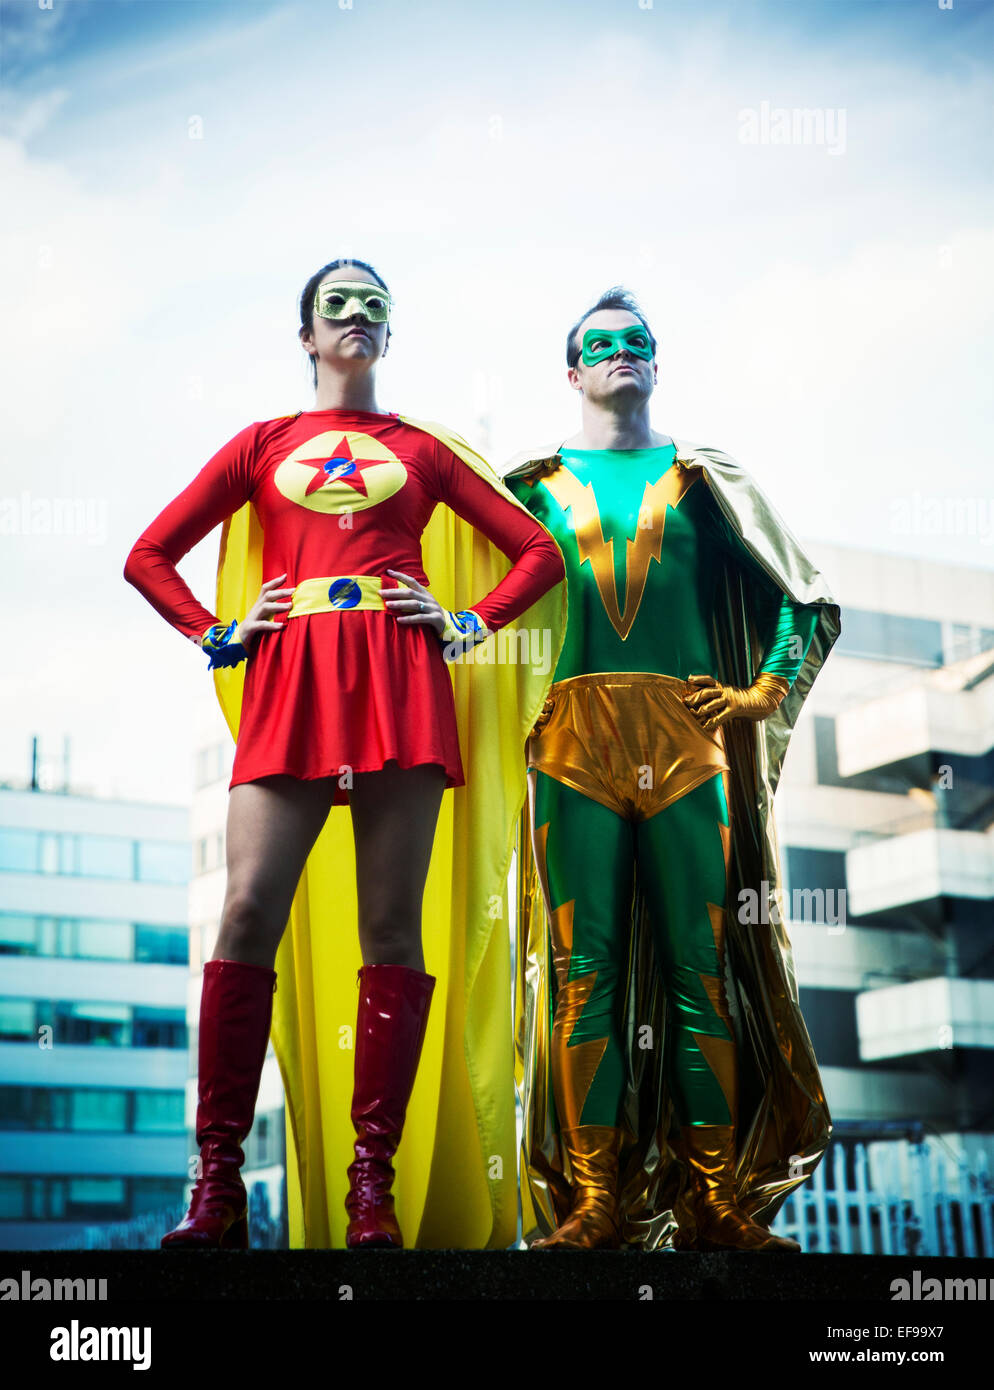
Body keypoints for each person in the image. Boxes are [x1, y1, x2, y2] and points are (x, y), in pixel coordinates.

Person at [123, 258, 566, 1249]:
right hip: (291, 681)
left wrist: (467, 618)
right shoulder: (262, 444)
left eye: (374, 305)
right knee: (244, 911)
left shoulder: (424, 450)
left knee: (391, 931)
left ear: (387, 334)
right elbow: (147, 554)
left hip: (404, 682)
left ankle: (375, 1184)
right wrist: (216, 630)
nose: (358, 315)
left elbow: (539, 553)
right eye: (339, 305)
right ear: (307, 336)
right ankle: (219, 1186)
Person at [502, 286, 841, 1251]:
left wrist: (763, 696)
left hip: (689, 744)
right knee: (580, 974)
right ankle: (595, 1201)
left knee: (704, 971)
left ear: (658, 361)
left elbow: (802, 598)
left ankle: (715, 1201)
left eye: (638, 341)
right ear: (572, 373)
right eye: (600, 345)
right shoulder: (525, 490)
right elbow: (467, 610)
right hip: (568, 741)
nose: (622, 353)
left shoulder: (707, 482)